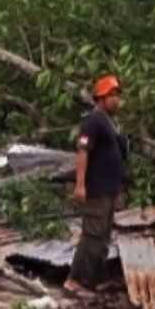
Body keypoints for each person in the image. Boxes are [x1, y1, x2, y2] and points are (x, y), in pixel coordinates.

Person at [64, 75, 126, 296]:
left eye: (117, 95)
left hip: (109, 190)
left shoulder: (111, 123)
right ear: (101, 97)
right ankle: (74, 280)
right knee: (92, 235)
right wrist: (80, 185)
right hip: (95, 189)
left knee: (104, 236)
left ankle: (97, 279)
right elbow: (83, 153)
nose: (117, 100)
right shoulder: (93, 121)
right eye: (113, 95)